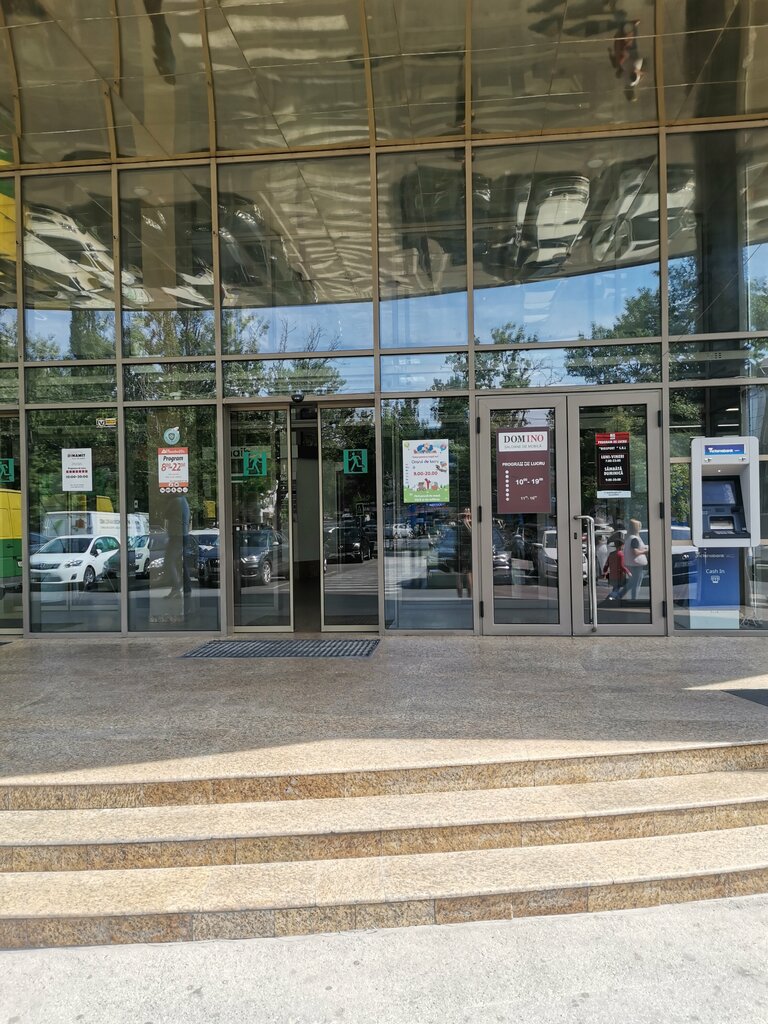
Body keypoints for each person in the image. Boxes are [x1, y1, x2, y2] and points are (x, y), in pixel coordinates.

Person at [623, 518, 649, 600]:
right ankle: (634, 599)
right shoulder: (635, 539)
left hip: (631, 563)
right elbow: (635, 552)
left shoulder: (629, 537)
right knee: (636, 584)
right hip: (636, 564)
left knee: (632, 583)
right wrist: (645, 551)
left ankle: (618, 595)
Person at [602, 534, 630, 601]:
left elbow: (607, 564)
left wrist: (605, 570)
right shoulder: (620, 554)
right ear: (622, 545)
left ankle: (615, 598)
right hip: (619, 575)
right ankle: (611, 597)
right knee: (624, 586)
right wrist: (628, 572)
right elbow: (622, 566)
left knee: (615, 588)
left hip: (612, 575)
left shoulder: (611, 554)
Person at [456, 507, 473, 598]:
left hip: (467, 551)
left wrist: (466, 523)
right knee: (461, 574)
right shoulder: (460, 524)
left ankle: (469, 596)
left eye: (467, 514)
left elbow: (472, 535)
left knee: (467, 574)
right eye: (464, 515)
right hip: (461, 551)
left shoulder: (469, 524)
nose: (465, 517)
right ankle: (461, 596)